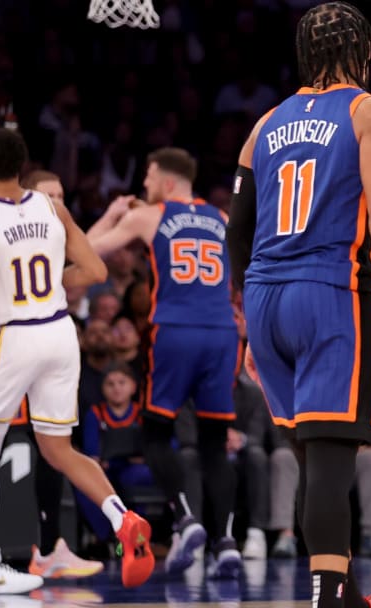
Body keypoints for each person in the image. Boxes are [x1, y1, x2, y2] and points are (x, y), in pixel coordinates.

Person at [225, 3, 371, 608]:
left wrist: (247, 329)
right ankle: (325, 597)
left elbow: (236, 231)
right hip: (330, 293)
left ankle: (346, 594)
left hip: (263, 297)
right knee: (333, 458)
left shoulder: (262, 125)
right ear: (364, 53)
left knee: (311, 455)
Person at [0, 128, 154, 598]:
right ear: (22, 166)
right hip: (58, 332)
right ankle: (122, 517)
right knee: (59, 449)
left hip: (12, 335)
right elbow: (95, 271)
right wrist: (49, 278)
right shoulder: (53, 208)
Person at [85, 147, 242, 577]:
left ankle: (186, 518)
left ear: (167, 181)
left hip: (174, 330)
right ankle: (226, 542)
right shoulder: (222, 218)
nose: (144, 185)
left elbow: (88, 250)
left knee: (154, 434)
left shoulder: (149, 216)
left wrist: (117, 214)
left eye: (149, 177)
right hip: (222, 332)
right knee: (214, 443)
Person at [19, 169, 105, 580]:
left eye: (61, 195)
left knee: (52, 449)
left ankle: (51, 545)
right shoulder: (8, 226)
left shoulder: (56, 233)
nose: (56, 202)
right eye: (48, 194)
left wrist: (57, 279)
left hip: (45, 349)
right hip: (10, 347)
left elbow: (93, 264)